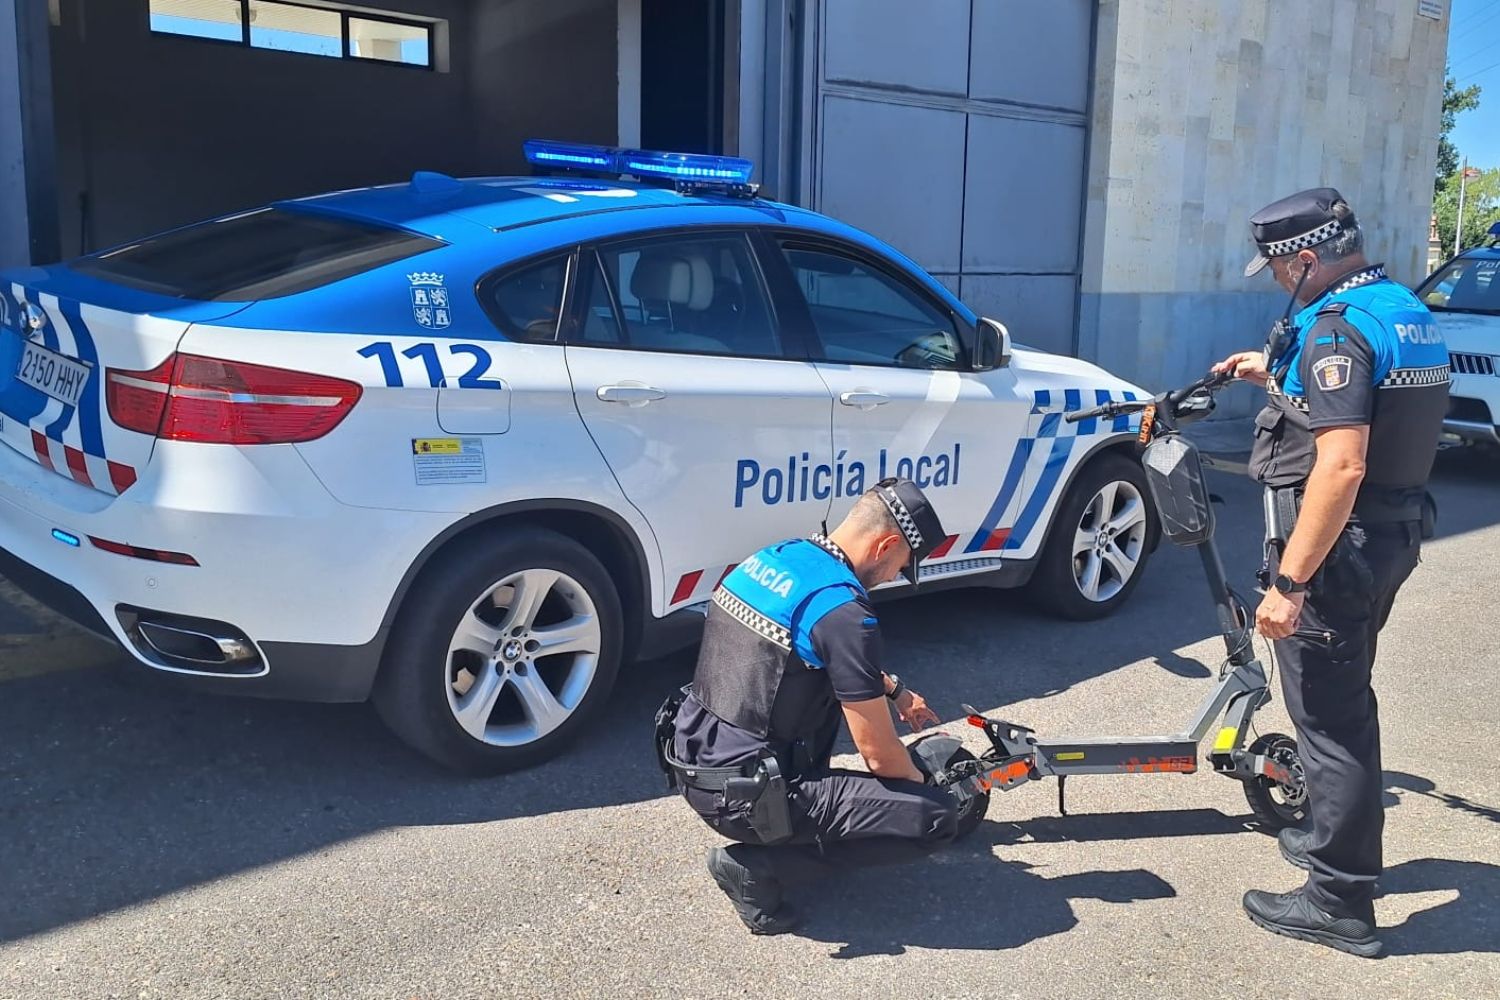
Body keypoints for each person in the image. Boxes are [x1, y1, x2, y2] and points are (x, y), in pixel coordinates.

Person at [1213, 187, 1449, 958]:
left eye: (1279, 270)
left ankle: (1338, 900)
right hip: (1391, 535)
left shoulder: (1335, 334)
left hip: (1335, 555)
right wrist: (1271, 378)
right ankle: (1326, 834)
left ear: (1306, 258)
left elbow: (1341, 465)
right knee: (1343, 697)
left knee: (1330, 717)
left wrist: (1289, 585)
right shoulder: (1400, 309)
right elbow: (1365, 416)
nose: (1279, 283)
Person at [655, 478, 957, 935]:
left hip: (693, 756)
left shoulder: (778, 558)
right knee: (934, 819)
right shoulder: (847, 615)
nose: (896, 575)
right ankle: (759, 867)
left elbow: (809, 651)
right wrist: (925, 786)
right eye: (901, 565)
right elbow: (879, 757)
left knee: (817, 690)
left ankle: (791, 825)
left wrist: (895, 691)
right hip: (745, 797)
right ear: (887, 544)